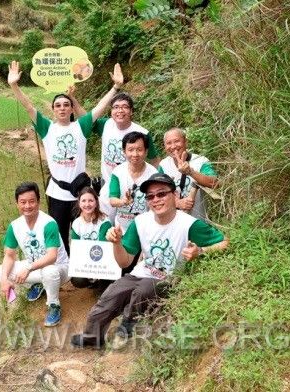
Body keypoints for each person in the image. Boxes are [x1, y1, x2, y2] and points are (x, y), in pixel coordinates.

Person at [71, 173, 228, 348]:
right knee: (112, 293)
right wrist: (116, 244)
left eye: (161, 194)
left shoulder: (189, 224)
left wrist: (201, 251)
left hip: (169, 277)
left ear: (175, 196)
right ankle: (93, 337)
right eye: (151, 196)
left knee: (144, 290)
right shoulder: (140, 222)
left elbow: (225, 242)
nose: (156, 200)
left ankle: (127, 326)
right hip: (141, 272)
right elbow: (125, 262)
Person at [7, 60, 123, 254]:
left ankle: (85, 270)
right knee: (61, 234)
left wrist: (116, 87)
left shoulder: (80, 127)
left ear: (71, 109)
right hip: (57, 193)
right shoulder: (47, 129)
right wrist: (14, 85)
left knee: (84, 231)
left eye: (66, 105)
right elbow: (28, 106)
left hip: (80, 193)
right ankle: (64, 270)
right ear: (53, 109)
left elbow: (100, 107)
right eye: (58, 105)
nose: (62, 108)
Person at [70, 90, 159, 223]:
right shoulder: (106, 125)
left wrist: (153, 181)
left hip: (135, 185)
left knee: (134, 221)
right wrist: (72, 98)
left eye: (125, 107)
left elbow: (154, 159)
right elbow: (87, 118)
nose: (120, 110)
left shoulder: (142, 133)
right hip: (108, 184)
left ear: (131, 111)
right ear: (111, 111)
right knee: (105, 221)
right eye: (116, 107)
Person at [0, 182, 70, 326]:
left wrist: (28, 268)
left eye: (31, 201)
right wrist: (4, 279)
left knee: (49, 271)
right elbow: (9, 255)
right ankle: (39, 284)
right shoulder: (15, 226)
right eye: (23, 202)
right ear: (17, 204)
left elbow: (52, 256)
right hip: (35, 267)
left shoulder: (48, 223)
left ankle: (54, 305)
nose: (27, 206)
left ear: (38, 202)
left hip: (59, 269)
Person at [158, 128, 218, 220]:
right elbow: (157, 192)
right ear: (165, 146)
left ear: (186, 142)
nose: (173, 146)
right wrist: (177, 202)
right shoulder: (163, 165)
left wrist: (191, 172)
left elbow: (215, 183)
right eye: (169, 143)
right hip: (172, 222)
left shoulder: (201, 161)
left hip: (198, 221)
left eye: (177, 141)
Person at [109, 132, 157, 235]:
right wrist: (123, 202)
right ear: (124, 151)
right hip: (122, 228)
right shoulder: (117, 172)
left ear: (146, 151)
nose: (135, 154)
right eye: (130, 150)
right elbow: (112, 200)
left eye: (139, 150)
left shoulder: (153, 174)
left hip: (145, 228)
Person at [69, 186, 113, 289]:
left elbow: (104, 248)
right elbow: (76, 248)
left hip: (102, 260)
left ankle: (103, 282)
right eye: (83, 201)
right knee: (77, 280)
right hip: (87, 260)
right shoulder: (76, 223)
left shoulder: (104, 222)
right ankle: (92, 282)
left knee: (105, 283)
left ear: (96, 202)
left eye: (90, 201)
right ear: (79, 203)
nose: (87, 204)